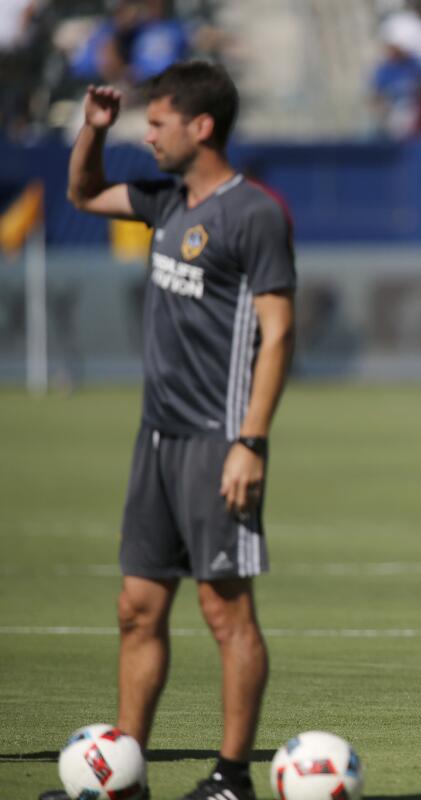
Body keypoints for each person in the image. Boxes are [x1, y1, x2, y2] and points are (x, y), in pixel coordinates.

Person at [45, 61, 296, 800]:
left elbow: (277, 336)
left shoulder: (254, 213)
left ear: (201, 126)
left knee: (225, 609)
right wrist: (90, 131)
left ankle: (231, 776)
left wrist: (250, 441)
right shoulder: (164, 201)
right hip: (155, 438)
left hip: (220, 442)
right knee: (137, 609)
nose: (145, 137)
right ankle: (122, 776)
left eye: (155, 124)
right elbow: (84, 192)